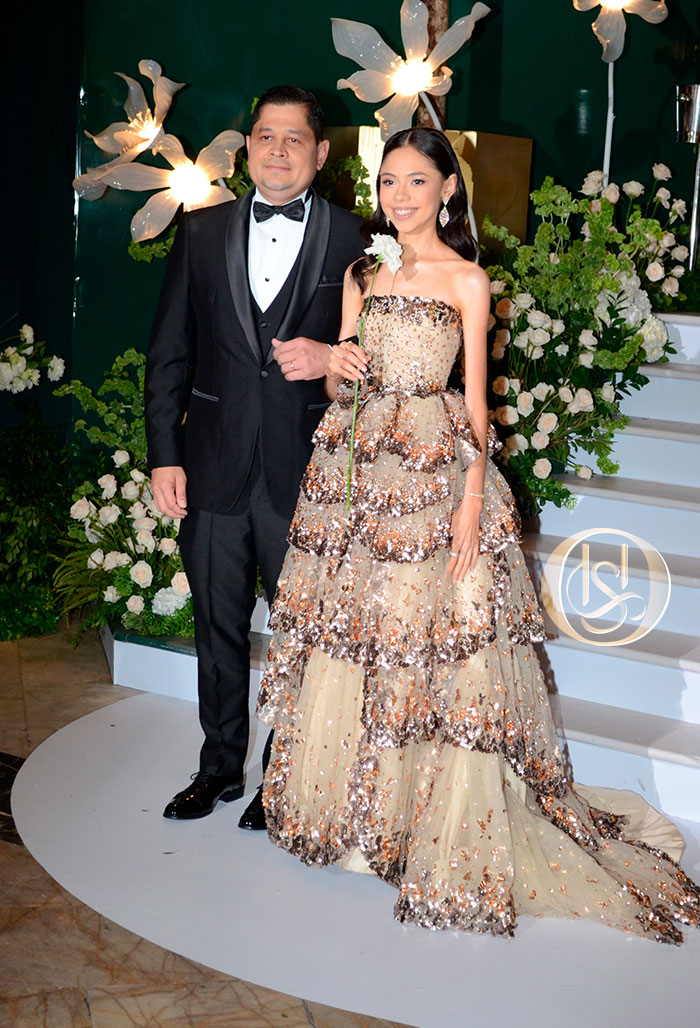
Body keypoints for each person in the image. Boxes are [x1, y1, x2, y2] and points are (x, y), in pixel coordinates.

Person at [256, 126, 700, 942]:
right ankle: (362, 822)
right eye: (389, 181)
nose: (399, 196)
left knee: (431, 640)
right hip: (358, 469)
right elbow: (342, 378)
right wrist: (337, 365)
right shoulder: (361, 271)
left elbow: (476, 402)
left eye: (416, 182)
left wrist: (469, 498)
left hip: (436, 474)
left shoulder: (468, 278)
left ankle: (425, 820)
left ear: (447, 190)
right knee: (357, 635)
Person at [146, 86, 365, 827]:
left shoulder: (356, 237)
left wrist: (330, 354)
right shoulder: (201, 231)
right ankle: (217, 768)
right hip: (211, 467)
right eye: (265, 136)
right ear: (247, 147)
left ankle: (284, 777)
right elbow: (169, 354)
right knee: (217, 628)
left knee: (302, 635)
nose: (278, 150)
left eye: (294, 138)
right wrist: (163, 455)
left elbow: (386, 353)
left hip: (307, 473)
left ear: (321, 152)